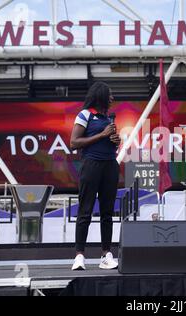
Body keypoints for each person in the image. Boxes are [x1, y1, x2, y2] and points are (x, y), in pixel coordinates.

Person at [70, 81, 121, 270]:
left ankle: (106, 255)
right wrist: (102, 135)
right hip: (91, 165)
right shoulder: (85, 115)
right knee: (85, 211)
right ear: (100, 96)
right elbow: (74, 142)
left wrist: (115, 141)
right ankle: (79, 255)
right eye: (110, 95)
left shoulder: (108, 119)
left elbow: (108, 142)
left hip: (110, 165)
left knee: (108, 213)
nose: (112, 98)